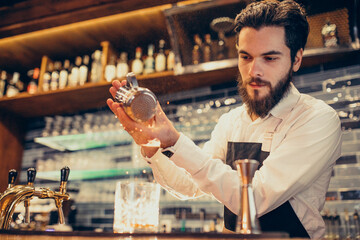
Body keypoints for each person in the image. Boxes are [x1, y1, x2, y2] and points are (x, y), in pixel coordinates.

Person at [107, 0, 342, 238]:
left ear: (297, 59)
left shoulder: (317, 119)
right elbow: (189, 185)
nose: (254, 71)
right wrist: (152, 147)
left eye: (269, 58)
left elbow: (256, 200)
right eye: (246, 57)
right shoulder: (232, 122)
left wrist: (175, 142)